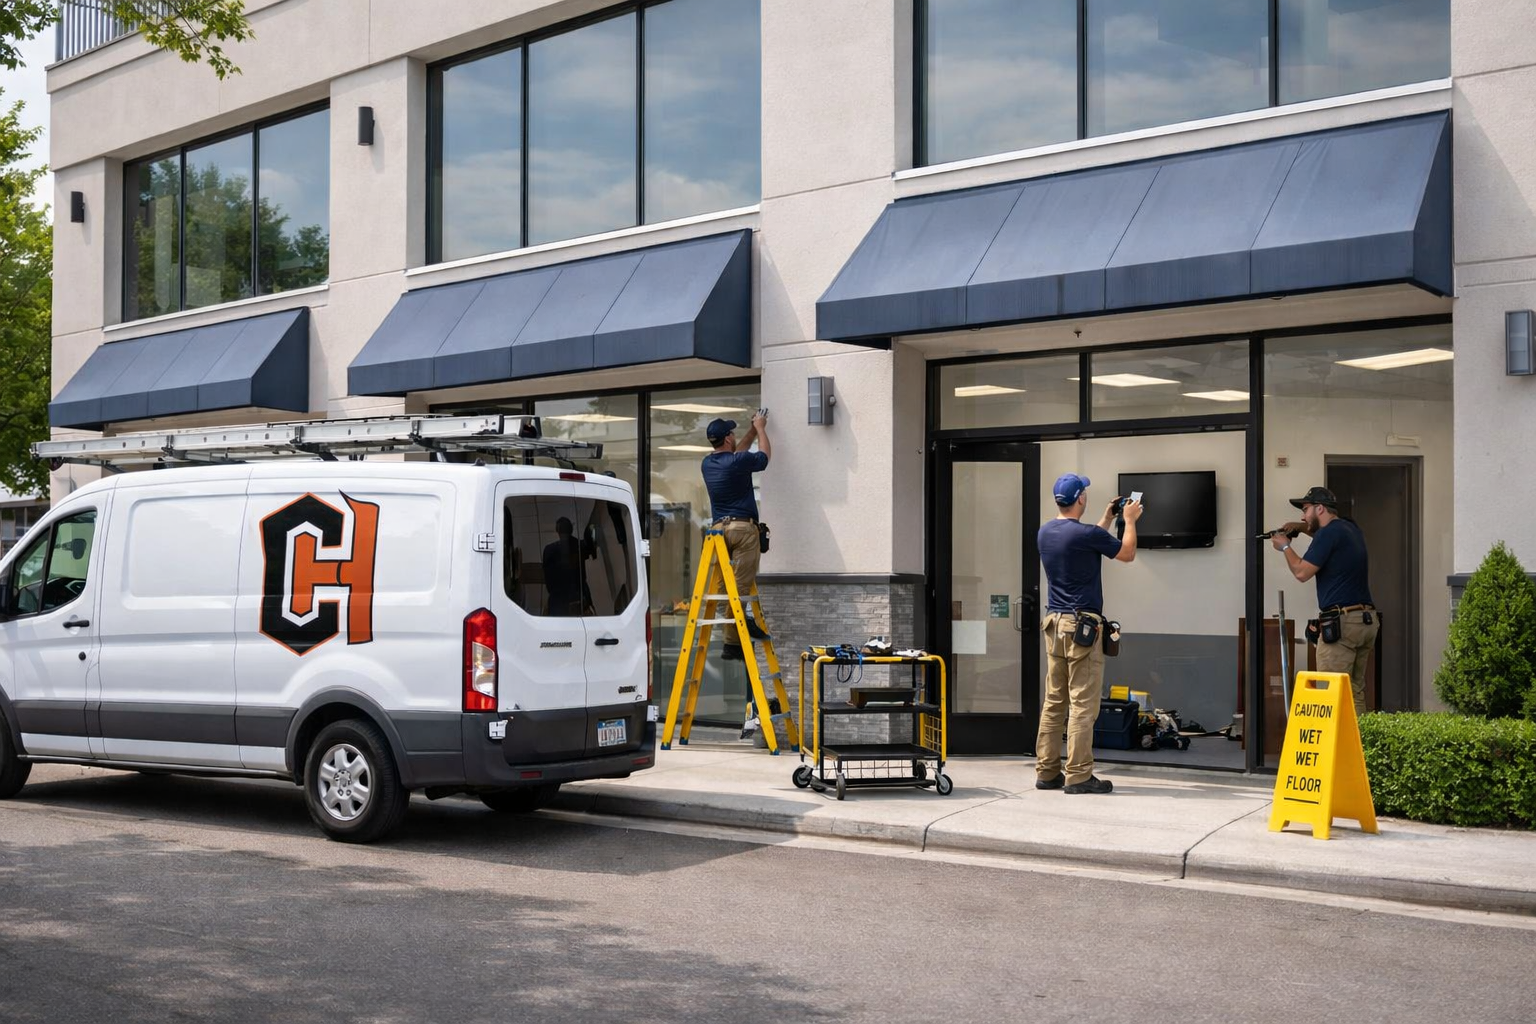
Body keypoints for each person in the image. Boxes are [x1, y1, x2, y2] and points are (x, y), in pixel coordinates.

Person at [1034, 473, 1141, 795]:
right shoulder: (1085, 534)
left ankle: (1047, 771)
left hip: (1054, 625)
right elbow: (1127, 553)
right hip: (1081, 628)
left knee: (1054, 702)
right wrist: (1129, 520)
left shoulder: (1046, 532)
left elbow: (1086, 539)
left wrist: (1107, 518)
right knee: (1082, 704)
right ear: (1080, 498)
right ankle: (1079, 775)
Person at [1272, 485, 1380, 712]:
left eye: (1306, 509)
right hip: (1365, 620)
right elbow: (1323, 533)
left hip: (1343, 623)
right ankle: (1358, 744)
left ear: (1319, 508)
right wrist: (1301, 527)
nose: (1302, 515)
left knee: (1330, 692)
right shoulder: (1349, 528)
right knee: (1354, 690)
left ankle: (1335, 747)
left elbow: (1302, 572)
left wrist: (1285, 547)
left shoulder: (1328, 534)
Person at [701, 410, 772, 661]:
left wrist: (751, 431)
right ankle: (742, 621)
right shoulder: (737, 462)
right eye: (733, 433)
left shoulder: (708, 464)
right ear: (728, 438)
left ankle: (731, 644)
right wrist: (761, 428)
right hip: (743, 530)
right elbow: (763, 458)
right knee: (740, 585)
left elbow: (736, 454)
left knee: (723, 584)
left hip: (719, 532)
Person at [542, 516, 590, 616]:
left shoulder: (549, 550)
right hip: (578, 601)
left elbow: (548, 581)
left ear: (557, 530)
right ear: (571, 529)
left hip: (557, 602)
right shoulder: (580, 546)